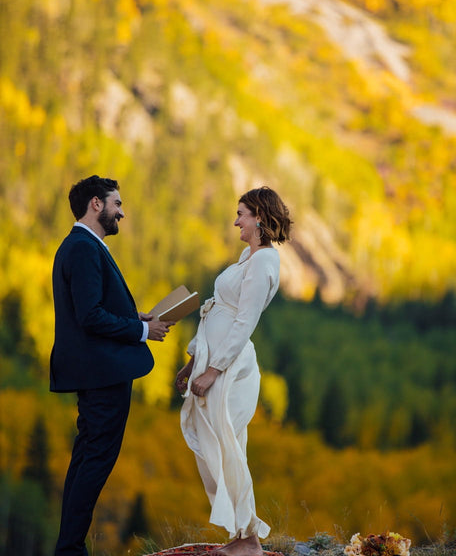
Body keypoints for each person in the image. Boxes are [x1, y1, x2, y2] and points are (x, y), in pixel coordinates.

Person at [50, 175, 174, 556]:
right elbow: (89, 316)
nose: (122, 211)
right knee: (95, 462)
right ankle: (70, 549)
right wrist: (141, 329)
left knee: (87, 459)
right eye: (117, 203)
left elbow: (92, 307)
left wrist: (133, 314)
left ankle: (68, 547)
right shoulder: (85, 248)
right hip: (102, 374)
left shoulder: (80, 246)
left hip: (96, 371)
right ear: (96, 204)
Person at [175, 186, 292, 556]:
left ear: (259, 216)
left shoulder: (264, 262)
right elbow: (216, 313)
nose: (236, 220)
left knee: (225, 446)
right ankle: (242, 535)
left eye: (241, 213)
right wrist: (194, 361)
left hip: (228, 366)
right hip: (211, 360)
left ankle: (248, 540)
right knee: (217, 447)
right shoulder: (248, 256)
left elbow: (244, 322)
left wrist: (213, 371)